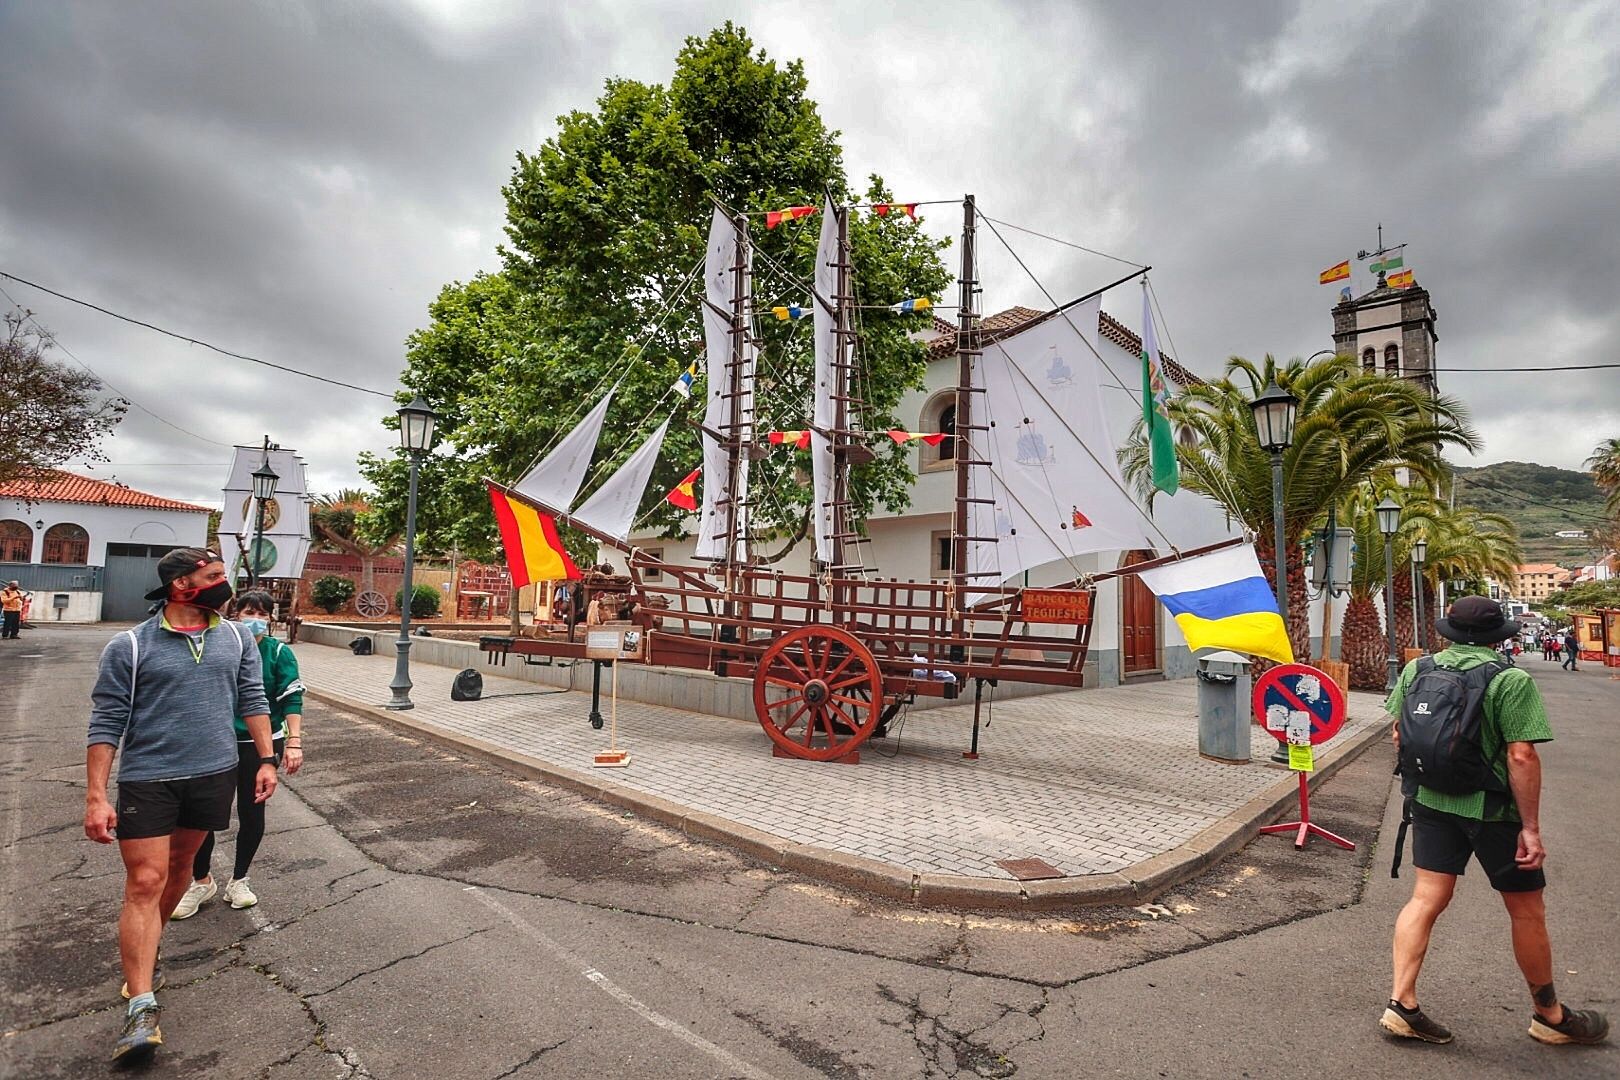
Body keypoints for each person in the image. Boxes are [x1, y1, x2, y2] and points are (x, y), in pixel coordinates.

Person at [1381, 595, 1608, 1047]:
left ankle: (1401, 1004)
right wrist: (1531, 828)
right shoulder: (1509, 679)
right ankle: (1550, 1015)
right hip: (1493, 811)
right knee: (1526, 909)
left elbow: (1398, 732)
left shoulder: (1418, 670)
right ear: (1496, 636)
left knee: (1425, 897)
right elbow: (1521, 754)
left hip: (1430, 800)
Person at [85, 549, 276, 1064]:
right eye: (212, 577)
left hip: (212, 776)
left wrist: (267, 758)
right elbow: (106, 724)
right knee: (144, 881)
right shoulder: (129, 646)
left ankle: (145, 954)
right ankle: (141, 1005)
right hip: (150, 779)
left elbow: (252, 698)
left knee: (178, 872)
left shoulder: (236, 637)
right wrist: (97, 795)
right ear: (180, 585)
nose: (223, 584)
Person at [171, 589, 304, 918]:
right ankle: (201, 881)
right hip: (215, 742)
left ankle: (239, 880)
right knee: (203, 814)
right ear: (234, 614)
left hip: (260, 745)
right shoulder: (219, 646)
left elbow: (291, 699)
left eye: (262, 614)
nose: (255, 621)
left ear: (271, 619)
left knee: (252, 812)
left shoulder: (278, 653)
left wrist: (294, 742)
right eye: (249, 613)